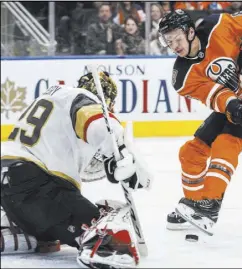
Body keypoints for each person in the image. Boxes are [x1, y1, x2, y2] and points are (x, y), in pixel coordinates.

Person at [1, 71, 152, 268]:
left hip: (10, 187)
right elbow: (98, 123)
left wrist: (111, 159)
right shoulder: (83, 98)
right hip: (36, 186)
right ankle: (102, 248)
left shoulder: (56, 99)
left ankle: (21, 230)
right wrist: (119, 153)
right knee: (106, 231)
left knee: (48, 232)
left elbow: (83, 166)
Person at [158, 8, 242, 234]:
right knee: (191, 152)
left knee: (226, 142)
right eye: (169, 41)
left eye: (177, 38)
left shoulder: (217, 25)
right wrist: (233, 106)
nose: (174, 45)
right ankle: (193, 206)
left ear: (190, 31)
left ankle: (210, 206)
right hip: (233, 104)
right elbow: (214, 95)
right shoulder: (182, 76)